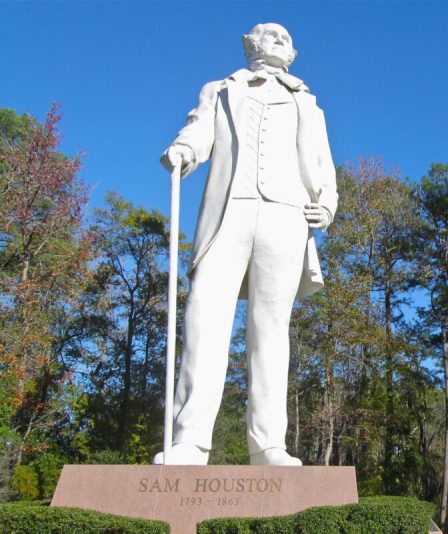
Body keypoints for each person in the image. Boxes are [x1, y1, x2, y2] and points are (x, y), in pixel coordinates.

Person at [154, 22, 338, 466]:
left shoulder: (308, 104)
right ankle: (190, 441)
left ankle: (268, 445)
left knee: (271, 332)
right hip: (228, 213)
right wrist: (183, 151)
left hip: (286, 216)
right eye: (268, 34)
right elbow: (198, 133)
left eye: (284, 37)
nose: (277, 39)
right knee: (203, 322)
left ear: (292, 52)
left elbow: (321, 161)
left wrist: (327, 205)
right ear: (249, 44)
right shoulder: (220, 90)